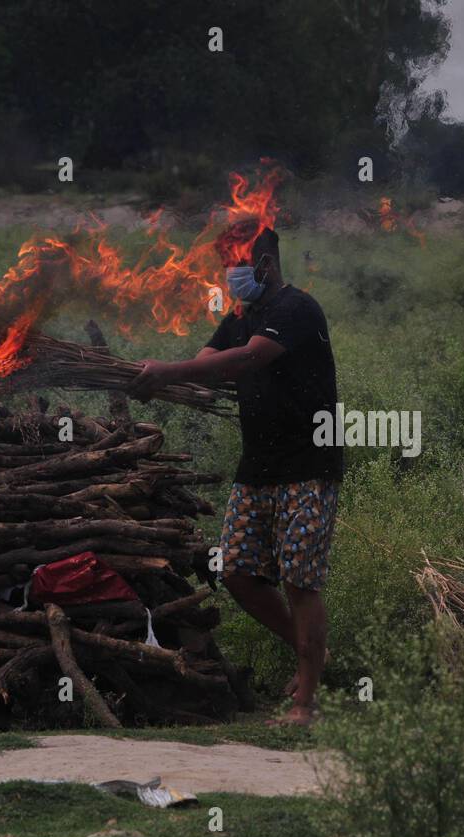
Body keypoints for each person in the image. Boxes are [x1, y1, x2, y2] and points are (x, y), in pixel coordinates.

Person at [129, 225, 343, 725]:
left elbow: (248, 358)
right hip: (259, 467)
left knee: (298, 578)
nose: (231, 276)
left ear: (265, 263)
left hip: (309, 466)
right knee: (240, 573)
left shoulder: (297, 309)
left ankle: (305, 704)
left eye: (238, 265)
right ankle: (313, 654)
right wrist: (158, 377)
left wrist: (170, 371)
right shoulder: (242, 316)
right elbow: (209, 361)